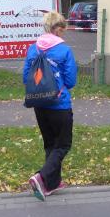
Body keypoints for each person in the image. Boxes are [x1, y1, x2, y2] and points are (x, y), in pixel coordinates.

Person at [22, 11, 77, 201]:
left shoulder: (33, 49)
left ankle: (51, 184)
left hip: (39, 103)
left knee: (50, 144)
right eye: (63, 29)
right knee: (63, 145)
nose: (64, 33)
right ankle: (41, 176)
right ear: (57, 28)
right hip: (59, 104)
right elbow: (70, 81)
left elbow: (26, 78)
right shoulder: (64, 50)